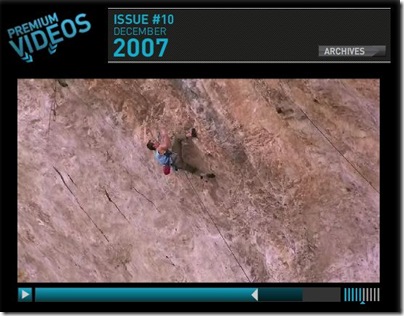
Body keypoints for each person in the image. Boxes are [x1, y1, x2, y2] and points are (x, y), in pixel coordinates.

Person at [146, 128, 215, 178]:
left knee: (191, 169)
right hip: (176, 157)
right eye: (154, 141)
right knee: (177, 138)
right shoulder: (159, 148)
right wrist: (165, 134)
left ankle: (204, 175)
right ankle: (191, 134)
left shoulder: (157, 155)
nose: (155, 141)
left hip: (177, 165)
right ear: (154, 146)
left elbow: (167, 146)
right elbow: (167, 145)